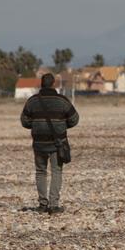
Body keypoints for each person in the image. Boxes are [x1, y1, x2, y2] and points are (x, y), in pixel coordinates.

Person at [20, 73, 79, 213]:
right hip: (57, 143)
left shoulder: (32, 101)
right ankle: (54, 205)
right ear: (54, 84)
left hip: (39, 143)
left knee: (40, 172)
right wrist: (61, 126)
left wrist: (36, 126)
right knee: (56, 172)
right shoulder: (62, 101)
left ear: (41, 84)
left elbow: (24, 121)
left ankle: (42, 204)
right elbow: (74, 119)